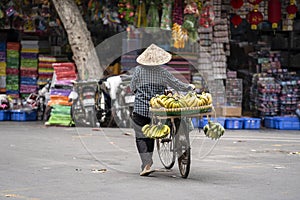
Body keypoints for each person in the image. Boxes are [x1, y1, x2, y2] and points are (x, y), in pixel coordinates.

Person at [130, 44, 195, 176]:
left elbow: (132, 87)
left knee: (141, 136)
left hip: (141, 109)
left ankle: (147, 164)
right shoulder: (163, 72)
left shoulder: (138, 70)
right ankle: (148, 163)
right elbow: (177, 84)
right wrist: (189, 87)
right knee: (154, 133)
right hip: (158, 110)